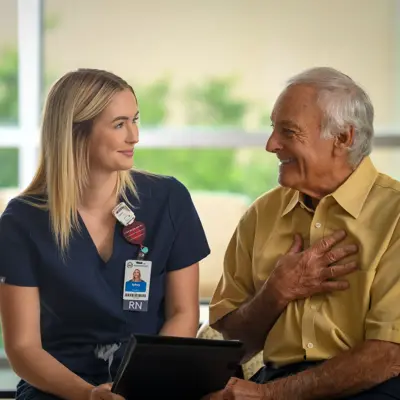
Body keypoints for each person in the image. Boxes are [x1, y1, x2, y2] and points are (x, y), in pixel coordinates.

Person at [0, 68, 210, 400]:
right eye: (119, 124)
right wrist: (89, 395)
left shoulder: (168, 200)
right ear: (75, 133)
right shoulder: (22, 221)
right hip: (59, 388)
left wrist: (142, 382)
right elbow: (23, 347)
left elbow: (184, 313)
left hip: (149, 382)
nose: (134, 136)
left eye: (135, 120)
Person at [205, 67, 400, 399]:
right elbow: (232, 345)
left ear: (343, 138)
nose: (271, 145)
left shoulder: (395, 215)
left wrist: (269, 396)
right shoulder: (261, 214)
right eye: (273, 129)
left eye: (288, 132)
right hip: (274, 378)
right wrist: (275, 293)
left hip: (373, 388)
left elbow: (388, 356)